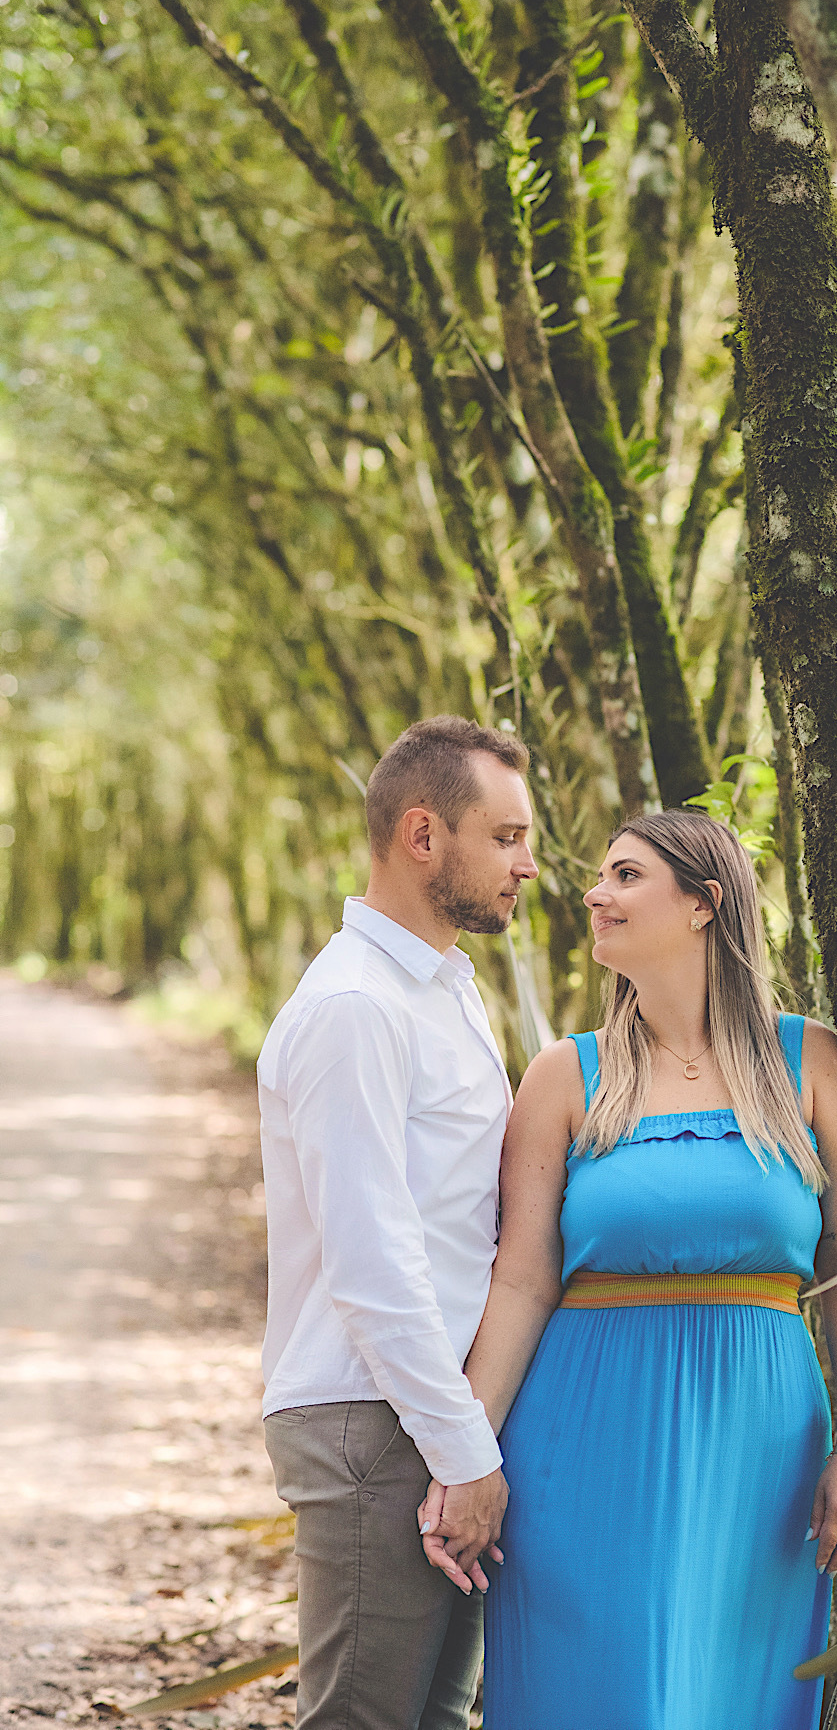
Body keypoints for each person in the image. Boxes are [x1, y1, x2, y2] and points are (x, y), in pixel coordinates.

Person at [420, 808, 837, 1730]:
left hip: (763, 1454)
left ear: (705, 903)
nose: (595, 892)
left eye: (626, 876)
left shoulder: (806, 1061)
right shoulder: (565, 1075)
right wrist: (463, 1456)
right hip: (581, 1444)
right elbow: (521, 1280)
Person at [256, 716, 537, 1730]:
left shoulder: (441, 993)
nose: (529, 864)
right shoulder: (356, 1007)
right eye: (504, 837)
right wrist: (464, 1454)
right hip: (379, 1422)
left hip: (428, 1418)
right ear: (425, 836)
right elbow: (373, 1262)